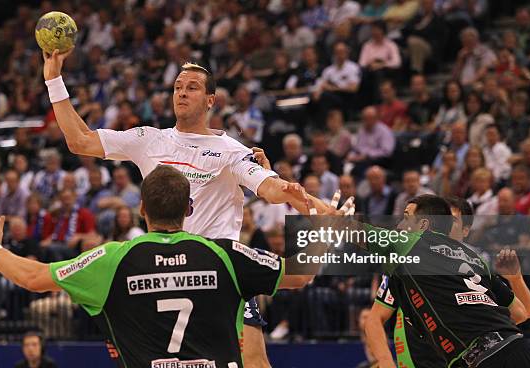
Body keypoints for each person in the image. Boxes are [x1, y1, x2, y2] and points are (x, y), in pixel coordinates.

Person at [42, 50, 329, 367]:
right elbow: (81, 141)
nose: (181, 92)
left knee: (256, 362)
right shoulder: (149, 140)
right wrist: (54, 79)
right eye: (178, 86)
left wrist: (306, 200)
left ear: (210, 100)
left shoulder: (231, 151)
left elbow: (273, 189)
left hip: (217, 274)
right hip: (159, 270)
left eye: (192, 87)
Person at [0, 165, 345, 368]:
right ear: (189, 210)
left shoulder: (113, 259)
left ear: (141, 210)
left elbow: (33, 277)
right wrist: (326, 225)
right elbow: (302, 272)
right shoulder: (225, 254)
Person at [328, 194, 530, 368]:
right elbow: (519, 312)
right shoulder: (474, 259)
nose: (400, 225)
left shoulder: (414, 246)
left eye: (406, 217)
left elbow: (349, 228)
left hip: (480, 356)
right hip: (509, 347)